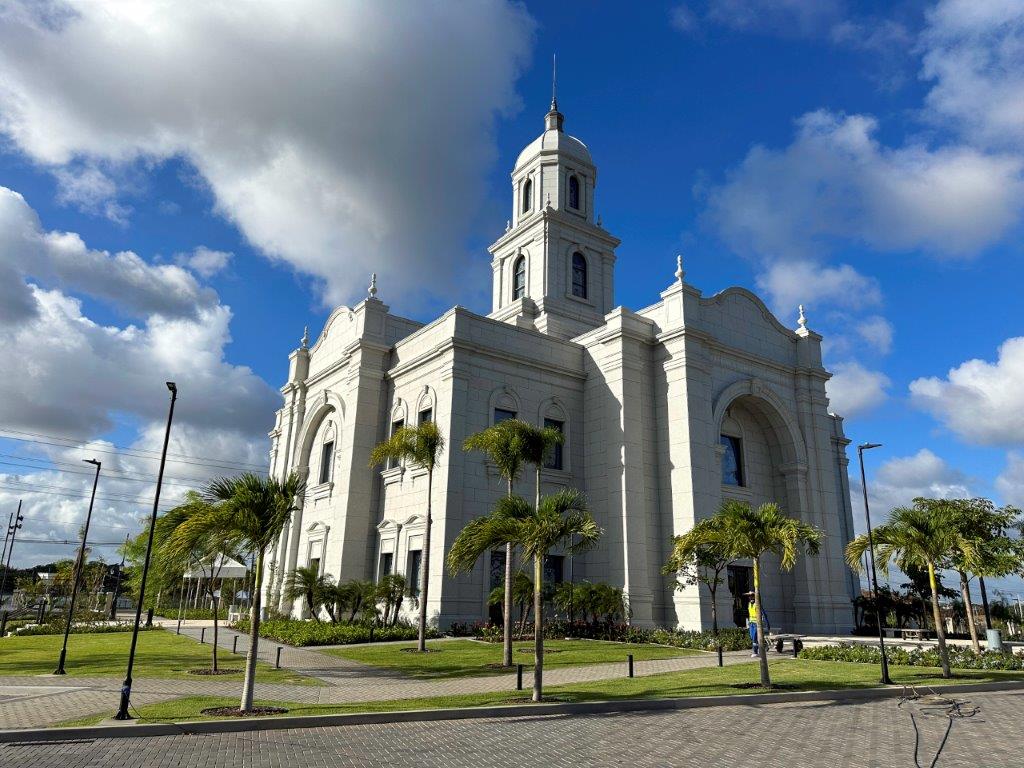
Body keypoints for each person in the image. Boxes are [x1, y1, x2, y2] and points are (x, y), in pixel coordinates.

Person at [745, 591, 770, 657]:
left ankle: (755, 652)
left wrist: (767, 624)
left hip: (757, 623)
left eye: (751, 595)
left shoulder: (757, 604)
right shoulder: (749, 604)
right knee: (752, 636)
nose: (750, 597)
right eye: (749, 596)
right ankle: (764, 645)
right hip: (751, 623)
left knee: (754, 638)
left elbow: (764, 614)